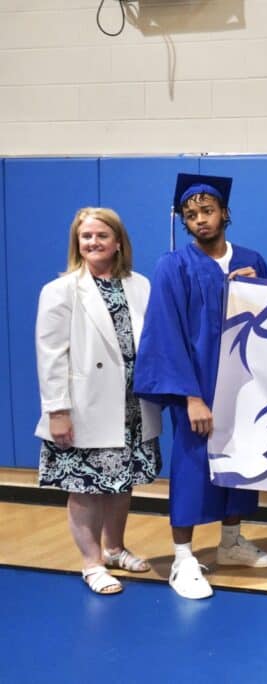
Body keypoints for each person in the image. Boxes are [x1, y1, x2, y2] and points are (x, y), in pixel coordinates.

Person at [135, 173, 267, 600]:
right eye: (190, 214)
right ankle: (182, 557)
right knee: (193, 468)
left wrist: (260, 289)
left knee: (240, 464)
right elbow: (167, 332)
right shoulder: (174, 265)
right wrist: (191, 397)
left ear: (225, 213)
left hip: (243, 388)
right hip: (196, 389)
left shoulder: (251, 258)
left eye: (207, 211)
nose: (200, 219)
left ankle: (232, 542)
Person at [35, 207, 162, 595]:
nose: (93, 242)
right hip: (85, 406)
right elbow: (51, 354)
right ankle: (91, 563)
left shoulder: (140, 284)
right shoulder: (61, 290)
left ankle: (115, 548)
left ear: (118, 241)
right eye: (85, 236)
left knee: (120, 484)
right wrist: (57, 411)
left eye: (101, 236)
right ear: (77, 243)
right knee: (86, 487)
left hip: (131, 406)